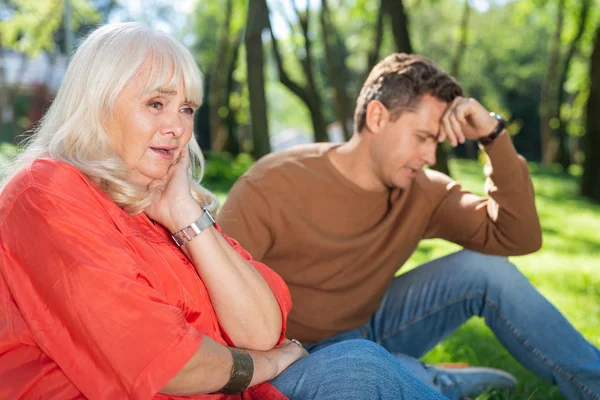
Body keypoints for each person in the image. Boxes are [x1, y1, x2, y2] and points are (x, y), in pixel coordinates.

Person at [0, 25, 446, 400]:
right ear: (97, 105)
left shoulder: (156, 202)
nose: (177, 127)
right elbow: (165, 361)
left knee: (357, 361)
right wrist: (270, 363)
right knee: (357, 366)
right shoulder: (48, 192)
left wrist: (185, 217)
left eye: (186, 108)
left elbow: (262, 328)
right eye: (156, 103)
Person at [219, 53, 600, 400]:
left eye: (436, 141)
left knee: (486, 270)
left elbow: (518, 237)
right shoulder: (270, 186)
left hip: (372, 327)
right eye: (422, 138)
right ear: (377, 117)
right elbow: (212, 310)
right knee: (362, 369)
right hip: (289, 355)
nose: (431, 155)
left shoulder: (422, 190)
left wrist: (493, 138)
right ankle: (427, 378)